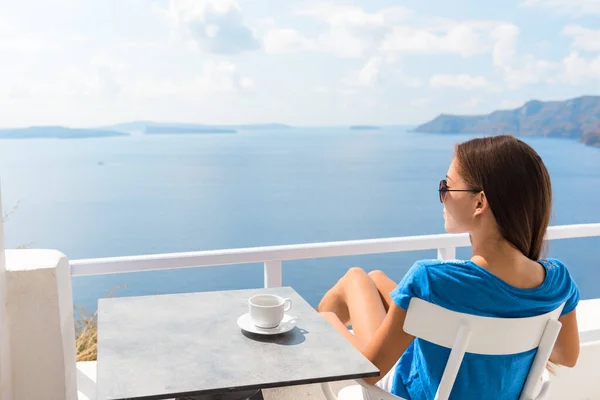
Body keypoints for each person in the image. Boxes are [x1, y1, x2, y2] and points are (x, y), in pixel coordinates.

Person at [318, 135, 580, 399]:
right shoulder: (557, 282)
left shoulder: (430, 280)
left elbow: (370, 371)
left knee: (353, 279)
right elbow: (567, 356)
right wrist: (509, 340)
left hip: (411, 389)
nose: (442, 196)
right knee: (373, 278)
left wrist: (326, 322)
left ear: (480, 202)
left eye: (447, 187)